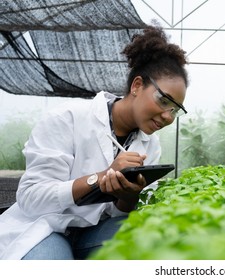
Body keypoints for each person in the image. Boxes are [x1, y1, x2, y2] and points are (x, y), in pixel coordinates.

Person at [0, 24, 189, 259]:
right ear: (137, 85)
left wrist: (128, 197)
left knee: (151, 243)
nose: (167, 117)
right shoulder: (68, 118)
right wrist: (99, 178)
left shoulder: (150, 145)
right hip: (43, 226)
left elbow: (118, 214)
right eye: (164, 101)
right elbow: (30, 198)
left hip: (94, 231)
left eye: (175, 110)